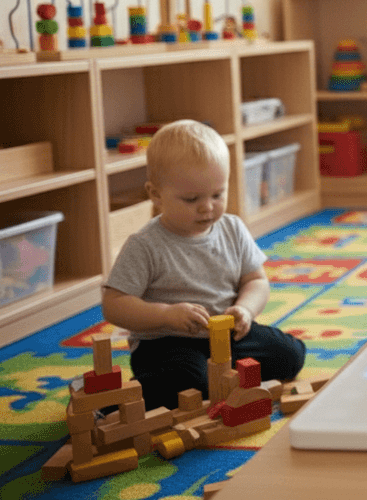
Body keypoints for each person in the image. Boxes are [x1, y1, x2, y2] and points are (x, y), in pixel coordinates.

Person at [102, 120, 306, 411]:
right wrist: (166, 315)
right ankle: (117, 403)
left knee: (290, 354)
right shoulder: (145, 244)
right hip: (167, 343)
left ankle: (219, 380)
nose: (207, 207)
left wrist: (246, 310)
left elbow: (256, 280)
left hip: (227, 336)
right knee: (187, 382)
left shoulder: (233, 228)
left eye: (217, 194)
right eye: (191, 199)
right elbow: (114, 303)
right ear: (156, 195)